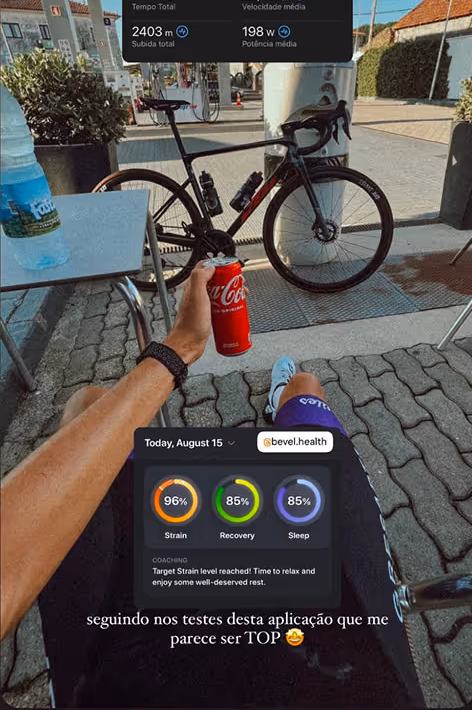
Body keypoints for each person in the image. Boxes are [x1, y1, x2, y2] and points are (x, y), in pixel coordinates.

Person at [0, 262, 425, 708]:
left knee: (90, 403)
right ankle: (283, 399)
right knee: (305, 387)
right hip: (340, 670)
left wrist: (182, 344)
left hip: (125, 666)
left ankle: (252, 418)